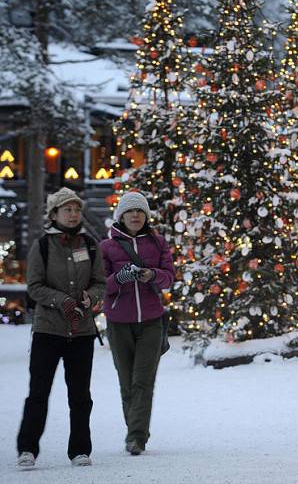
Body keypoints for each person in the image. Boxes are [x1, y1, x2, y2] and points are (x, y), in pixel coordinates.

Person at [17, 188, 106, 469]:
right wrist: (62, 300)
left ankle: (80, 450)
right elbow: (34, 287)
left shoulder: (90, 245)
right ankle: (27, 448)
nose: (73, 214)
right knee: (38, 392)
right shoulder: (42, 246)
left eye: (77, 209)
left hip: (81, 332)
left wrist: (91, 297)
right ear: (54, 214)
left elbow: (100, 283)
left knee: (80, 396)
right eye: (67, 209)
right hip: (48, 330)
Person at [100, 191, 174, 456]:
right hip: (119, 323)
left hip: (152, 322)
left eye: (140, 211)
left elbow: (169, 278)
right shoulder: (106, 247)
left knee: (143, 381)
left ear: (146, 216)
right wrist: (119, 278)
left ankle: (136, 437)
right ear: (121, 216)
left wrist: (152, 274)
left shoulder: (158, 242)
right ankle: (135, 429)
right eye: (130, 211)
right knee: (127, 382)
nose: (135, 215)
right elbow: (100, 286)